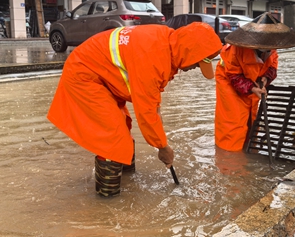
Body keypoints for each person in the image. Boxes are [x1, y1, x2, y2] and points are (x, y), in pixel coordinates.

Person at [47, 22, 222, 197]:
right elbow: (146, 111)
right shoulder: (152, 57)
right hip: (84, 75)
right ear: (189, 52)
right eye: (197, 63)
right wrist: (163, 147)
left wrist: (159, 131)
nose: (194, 68)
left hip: (101, 74)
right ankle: (107, 200)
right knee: (114, 138)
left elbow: (152, 101)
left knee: (123, 127)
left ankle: (127, 180)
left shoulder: (167, 43)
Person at [215, 13, 295, 152]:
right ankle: (230, 154)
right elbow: (233, 75)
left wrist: (266, 78)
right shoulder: (235, 49)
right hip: (228, 82)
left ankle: (249, 146)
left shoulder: (271, 48)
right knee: (233, 120)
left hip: (253, 81)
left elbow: (273, 65)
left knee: (252, 117)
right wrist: (252, 88)